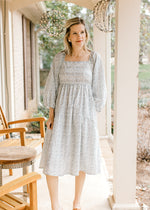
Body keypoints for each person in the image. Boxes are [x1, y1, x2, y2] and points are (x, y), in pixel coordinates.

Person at [39, 17, 107, 210]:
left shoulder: (94, 58)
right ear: (68, 37)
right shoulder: (60, 58)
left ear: (87, 35)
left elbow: (99, 91)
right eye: (75, 33)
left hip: (84, 116)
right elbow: (52, 86)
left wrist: (91, 115)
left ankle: (77, 202)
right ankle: (55, 205)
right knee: (53, 158)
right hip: (61, 115)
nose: (80, 37)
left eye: (83, 32)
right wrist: (51, 115)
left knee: (81, 157)